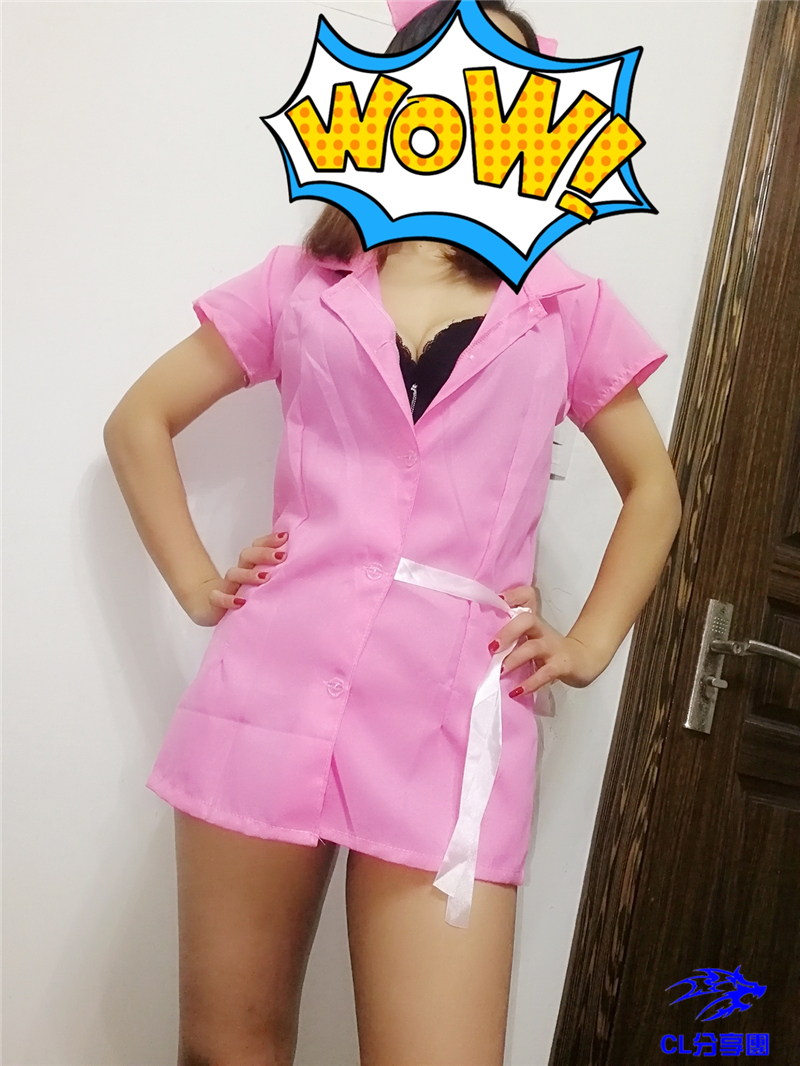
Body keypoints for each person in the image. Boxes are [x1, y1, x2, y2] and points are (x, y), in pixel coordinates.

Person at [103, 2, 682, 1063]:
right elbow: (138, 420)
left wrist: (589, 643)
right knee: (226, 1049)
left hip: (449, 724)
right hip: (270, 692)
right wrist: (195, 583)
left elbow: (653, 487)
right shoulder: (298, 285)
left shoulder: (566, 306)